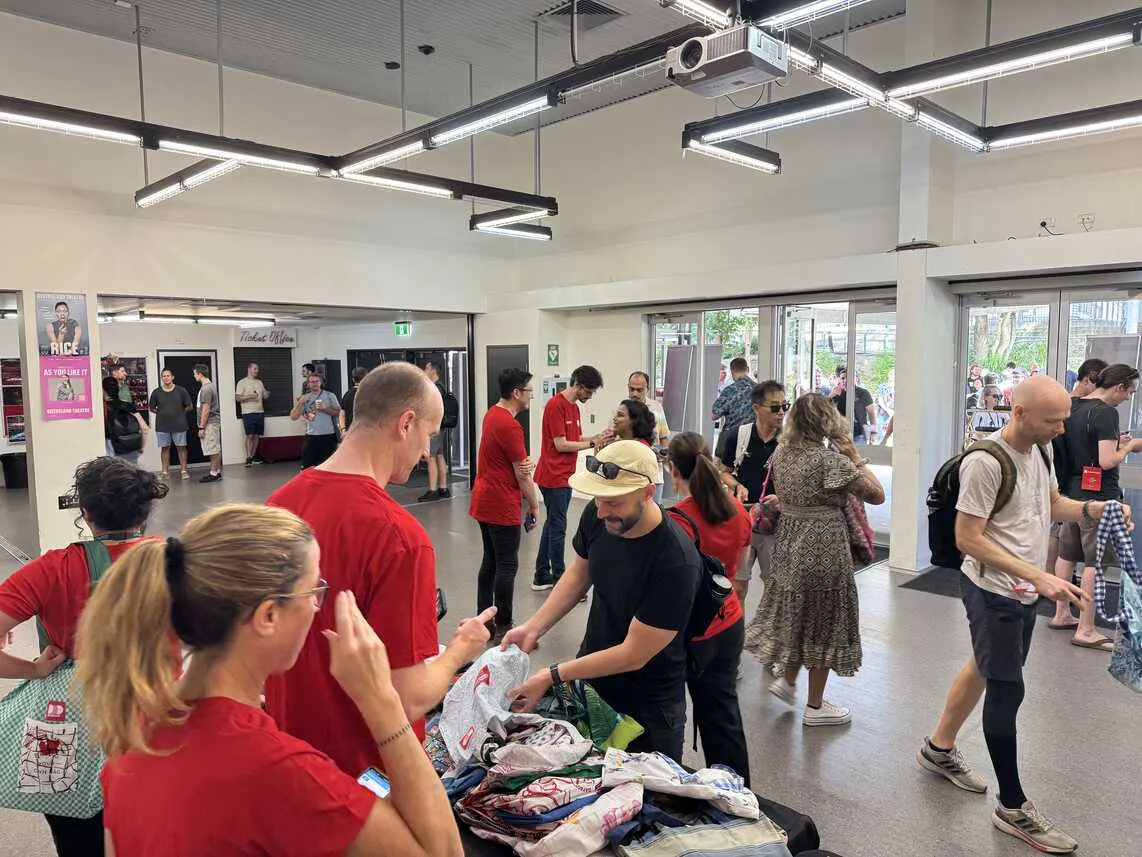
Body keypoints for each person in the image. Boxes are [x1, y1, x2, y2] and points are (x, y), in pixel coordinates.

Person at [76, 504, 464, 857]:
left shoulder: (131, 740)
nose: (316, 606)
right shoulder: (277, 770)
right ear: (267, 617)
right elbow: (443, 852)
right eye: (313, 591)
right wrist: (380, 699)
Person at [917, 375, 1128, 855]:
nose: (1060, 429)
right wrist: (1038, 577)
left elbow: (1051, 503)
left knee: (984, 665)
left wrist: (1096, 509)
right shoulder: (985, 462)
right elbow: (969, 537)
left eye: (1062, 420)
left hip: (1022, 589)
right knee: (1007, 686)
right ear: (1019, 413)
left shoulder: (1042, 450)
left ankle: (938, 748)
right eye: (1053, 420)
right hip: (994, 590)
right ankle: (1012, 808)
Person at [266, 362, 493, 777]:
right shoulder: (400, 538)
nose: (427, 450)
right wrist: (463, 648)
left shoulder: (277, 506)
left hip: (289, 760)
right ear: (406, 423)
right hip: (365, 773)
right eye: (429, 433)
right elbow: (406, 697)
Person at [0, 457, 167, 857]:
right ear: (145, 510)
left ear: (86, 514)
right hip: (156, 720)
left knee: (77, 839)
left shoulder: (51, 569)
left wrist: (35, 669)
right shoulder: (179, 562)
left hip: (68, 725)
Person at [503, 441, 701, 762]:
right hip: (592, 684)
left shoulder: (675, 561)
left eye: (614, 502)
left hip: (648, 708)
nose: (601, 510)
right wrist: (533, 627)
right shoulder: (599, 516)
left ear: (648, 493)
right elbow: (580, 575)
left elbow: (633, 655)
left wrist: (553, 675)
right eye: (598, 499)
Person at [745, 393, 885, 726]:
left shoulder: (782, 453)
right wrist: (854, 454)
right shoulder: (830, 461)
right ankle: (816, 706)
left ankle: (789, 679)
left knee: (799, 610)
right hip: (824, 548)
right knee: (823, 619)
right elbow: (877, 494)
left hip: (790, 543)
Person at [667, 432, 751, 783]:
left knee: (670, 711)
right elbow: (739, 572)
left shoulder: (675, 521)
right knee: (723, 713)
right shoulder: (737, 511)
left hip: (692, 629)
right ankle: (740, 794)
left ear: (673, 470)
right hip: (728, 621)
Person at [1050, 364, 1142, 650]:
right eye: (1129, 392)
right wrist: (1129, 447)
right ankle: (1086, 629)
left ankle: (1061, 614)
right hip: (1101, 496)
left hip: (1073, 493)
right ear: (1119, 387)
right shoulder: (1106, 413)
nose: (1128, 398)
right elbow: (1106, 462)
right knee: (1096, 562)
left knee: (1067, 555)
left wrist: (1115, 443)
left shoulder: (1074, 406)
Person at [470, 369, 541, 643]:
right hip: (501, 503)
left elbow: (514, 463)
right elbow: (522, 473)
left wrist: (523, 464)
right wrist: (534, 505)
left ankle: (483, 620)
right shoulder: (510, 426)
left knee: (490, 561)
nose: (531, 396)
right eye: (529, 391)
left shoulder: (492, 414)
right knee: (507, 565)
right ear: (517, 393)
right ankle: (502, 626)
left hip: (484, 499)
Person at [532, 365, 604, 591]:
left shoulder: (574, 408)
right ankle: (559, 579)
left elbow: (575, 437)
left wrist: (597, 437)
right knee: (558, 527)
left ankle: (541, 575)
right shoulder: (556, 406)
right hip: (553, 477)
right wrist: (590, 444)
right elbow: (560, 444)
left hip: (565, 476)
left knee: (552, 524)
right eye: (589, 392)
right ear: (579, 386)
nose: (590, 397)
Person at [719, 381, 787, 603]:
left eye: (784, 406)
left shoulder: (790, 441)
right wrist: (736, 485)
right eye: (775, 407)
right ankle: (736, 634)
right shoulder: (737, 436)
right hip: (743, 521)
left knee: (775, 588)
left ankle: (772, 635)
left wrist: (783, 497)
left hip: (776, 524)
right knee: (737, 586)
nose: (781, 413)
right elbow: (723, 471)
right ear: (756, 407)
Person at [626, 371, 671, 502]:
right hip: (630, 475)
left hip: (654, 474)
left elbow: (664, 437)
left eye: (639, 390)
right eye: (631, 389)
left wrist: (664, 455)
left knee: (655, 515)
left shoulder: (656, 408)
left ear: (647, 389)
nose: (635, 393)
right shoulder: (621, 409)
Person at [149, 367, 194, 480]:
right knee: (164, 448)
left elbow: (189, 406)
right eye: (163, 376)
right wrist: (161, 413)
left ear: (172, 377)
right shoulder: (156, 392)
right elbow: (151, 408)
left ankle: (184, 471)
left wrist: (180, 413)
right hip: (162, 425)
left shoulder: (181, 390)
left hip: (179, 424)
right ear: (161, 378)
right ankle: (165, 472)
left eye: (168, 375)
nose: (166, 378)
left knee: (181, 448)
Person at [291, 372, 341, 469]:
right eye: (311, 382)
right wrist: (300, 403)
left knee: (328, 468)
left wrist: (325, 408)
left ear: (321, 382)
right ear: (308, 384)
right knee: (306, 468)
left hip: (328, 436)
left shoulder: (330, 395)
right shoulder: (305, 398)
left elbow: (339, 413)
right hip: (311, 437)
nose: (314, 384)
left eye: (316, 381)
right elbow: (293, 417)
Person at [419, 361, 452, 503]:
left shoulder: (435, 388)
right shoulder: (442, 387)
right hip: (441, 427)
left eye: (426, 367)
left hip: (434, 427)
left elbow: (431, 409)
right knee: (439, 455)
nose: (424, 369)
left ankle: (432, 490)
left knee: (430, 457)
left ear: (433, 370)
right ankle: (443, 488)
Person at [710, 357, 755, 459]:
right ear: (747, 369)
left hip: (732, 440)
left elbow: (714, 415)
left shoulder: (729, 390)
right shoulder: (760, 389)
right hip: (753, 440)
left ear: (732, 372)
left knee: (723, 471)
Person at [103, 375, 147, 464]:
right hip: (132, 446)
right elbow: (144, 428)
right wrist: (141, 447)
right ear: (118, 389)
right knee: (132, 475)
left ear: (103, 390)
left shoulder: (103, 408)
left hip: (112, 447)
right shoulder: (128, 405)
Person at [830, 365, 877, 444]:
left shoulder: (863, 393)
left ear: (856, 379)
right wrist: (831, 395)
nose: (845, 380)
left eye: (849, 377)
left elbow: (871, 413)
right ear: (839, 380)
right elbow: (825, 409)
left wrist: (873, 432)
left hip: (859, 435)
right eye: (843, 378)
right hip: (839, 435)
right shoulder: (836, 393)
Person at [235, 361, 270, 467]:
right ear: (249, 369)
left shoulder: (259, 382)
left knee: (256, 436)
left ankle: (253, 457)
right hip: (248, 413)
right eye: (255, 369)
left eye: (257, 369)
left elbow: (264, 396)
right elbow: (237, 398)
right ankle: (248, 457)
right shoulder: (242, 382)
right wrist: (250, 396)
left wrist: (266, 394)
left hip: (260, 412)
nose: (257, 371)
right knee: (249, 435)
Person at [193, 364, 223, 483]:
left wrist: (201, 427)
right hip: (211, 423)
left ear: (200, 374)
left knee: (213, 449)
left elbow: (206, 409)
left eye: (195, 373)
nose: (194, 376)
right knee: (215, 448)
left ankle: (214, 473)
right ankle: (217, 471)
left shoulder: (206, 389)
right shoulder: (209, 387)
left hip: (210, 423)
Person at [340, 366, 368, 435]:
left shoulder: (347, 395)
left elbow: (342, 413)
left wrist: (343, 430)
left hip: (351, 432)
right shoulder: (371, 394)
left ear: (353, 379)